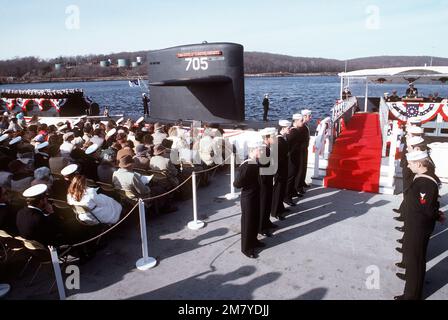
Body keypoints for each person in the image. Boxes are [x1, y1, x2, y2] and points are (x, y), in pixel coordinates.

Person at [394, 150, 443, 300]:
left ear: (420, 164)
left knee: (416, 260)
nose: (408, 166)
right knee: (411, 255)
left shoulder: (427, 183)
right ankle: (410, 277)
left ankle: (412, 295)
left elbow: (426, 208)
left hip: (419, 227)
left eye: (410, 163)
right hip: (414, 223)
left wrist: (436, 214)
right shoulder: (423, 178)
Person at [233, 141, 264, 259]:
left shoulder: (255, 162)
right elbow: (237, 183)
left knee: (255, 219)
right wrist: (248, 185)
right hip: (248, 197)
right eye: (259, 150)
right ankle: (246, 248)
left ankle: (254, 240)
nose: (261, 152)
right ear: (252, 150)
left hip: (255, 194)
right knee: (247, 222)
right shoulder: (247, 165)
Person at [271, 120, 291, 221]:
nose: (289, 129)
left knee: (282, 189)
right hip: (279, 170)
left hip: (283, 168)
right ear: (283, 128)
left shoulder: (283, 138)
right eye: (288, 128)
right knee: (278, 190)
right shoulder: (278, 140)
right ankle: (275, 212)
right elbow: (276, 158)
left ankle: (281, 208)